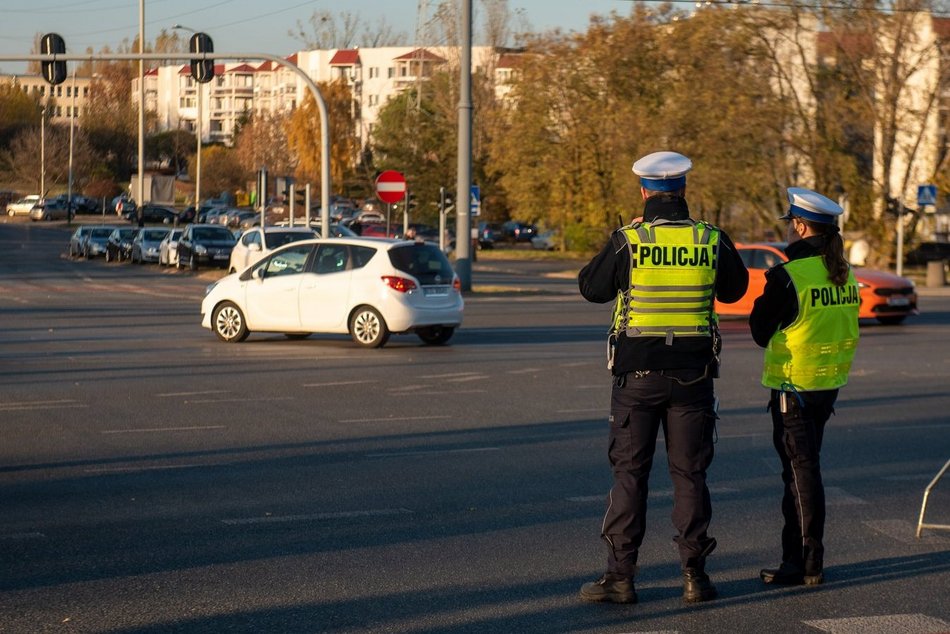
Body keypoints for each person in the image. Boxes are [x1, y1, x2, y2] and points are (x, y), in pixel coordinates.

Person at [577, 151, 749, 605]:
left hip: (638, 378)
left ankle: (620, 578)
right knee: (690, 475)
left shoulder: (629, 239)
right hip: (693, 377)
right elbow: (736, 290)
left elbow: (592, 288)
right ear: (684, 191)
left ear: (644, 191)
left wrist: (623, 239)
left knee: (630, 475)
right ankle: (695, 576)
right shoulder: (711, 239)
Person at [750, 187, 860, 586]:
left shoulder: (788, 276)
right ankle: (798, 556)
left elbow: (761, 332)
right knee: (803, 472)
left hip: (793, 387)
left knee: (799, 475)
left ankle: (805, 561)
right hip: (827, 386)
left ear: (799, 225)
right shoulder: (845, 274)